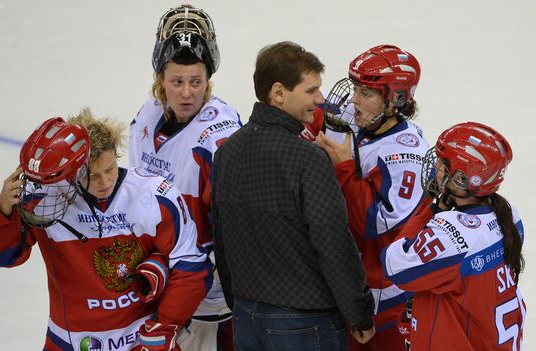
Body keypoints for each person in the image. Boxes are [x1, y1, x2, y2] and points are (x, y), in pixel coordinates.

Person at [0, 108, 212, 351]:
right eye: (92, 175)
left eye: (110, 168)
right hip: (69, 341)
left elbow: (191, 268)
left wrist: (163, 327)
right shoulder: (47, 201)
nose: (104, 183)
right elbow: (3, 256)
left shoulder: (156, 196)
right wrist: (4, 209)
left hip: (140, 339)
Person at [212, 41, 376, 351]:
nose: (320, 99)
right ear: (278, 92)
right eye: (311, 90)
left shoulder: (227, 151)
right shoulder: (308, 159)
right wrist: (360, 312)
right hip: (304, 325)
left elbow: (222, 237)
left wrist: (240, 303)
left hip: (247, 317)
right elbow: (333, 244)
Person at [128, 6, 241, 350]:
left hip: (206, 294)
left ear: (209, 80)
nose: (187, 93)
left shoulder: (218, 134)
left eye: (197, 82)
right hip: (154, 276)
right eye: (177, 82)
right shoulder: (146, 116)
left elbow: (233, 224)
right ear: (160, 79)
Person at [315, 44, 432, 350]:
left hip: (383, 300)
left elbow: (372, 221)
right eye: (355, 89)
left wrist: (343, 168)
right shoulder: (368, 120)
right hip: (352, 284)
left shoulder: (405, 154)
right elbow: (321, 111)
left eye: (366, 94)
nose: (354, 101)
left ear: (396, 100)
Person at [381, 121, 526, 350]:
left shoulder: (454, 232)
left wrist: (432, 211)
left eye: (442, 162)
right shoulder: (510, 216)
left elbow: (393, 264)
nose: (435, 166)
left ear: (461, 178)